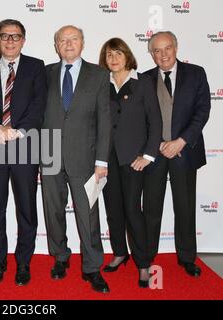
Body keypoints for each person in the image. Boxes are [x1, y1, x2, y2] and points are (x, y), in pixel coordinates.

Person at [0, 19, 47, 286]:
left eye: (16, 36)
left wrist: (17, 130)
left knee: (26, 208)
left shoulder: (36, 67)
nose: (10, 41)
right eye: (5, 36)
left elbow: (39, 105)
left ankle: (24, 263)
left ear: (23, 40)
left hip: (25, 147)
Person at [40, 25, 111, 293]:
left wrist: (102, 161)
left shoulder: (100, 75)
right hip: (49, 155)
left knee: (88, 215)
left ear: (82, 43)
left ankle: (92, 267)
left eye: (74, 39)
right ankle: (60, 257)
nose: (68, 44)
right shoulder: (44, 74)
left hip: (86, 157)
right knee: (53, 211)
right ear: (56, 45)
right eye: (63, 40)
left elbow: (105, 121)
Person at [143, 31, 211, 277]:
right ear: (151, 54)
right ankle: (147, 256)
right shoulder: (145, 79)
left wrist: (181, 141)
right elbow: (141, 118)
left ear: (176, 47)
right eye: (157, 50)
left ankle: (187, 257)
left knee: (185, 207)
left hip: (185, 151)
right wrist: (159, 144)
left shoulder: (196, 74)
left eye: (167, 48)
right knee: (151, 207)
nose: (163, 54)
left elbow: (203, 110)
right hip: (155, 153)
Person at [98, 38, 162, 288]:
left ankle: (144, 263)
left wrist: (147, 156)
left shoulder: (143, 83)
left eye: (118, 54)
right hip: (107, 159)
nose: (113, 59)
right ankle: (119, 252)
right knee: (113, 210)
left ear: (127, 56)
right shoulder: (102, 84)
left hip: (133, 160)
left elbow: (155, 123)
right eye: (108, 55)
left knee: (133, 212)